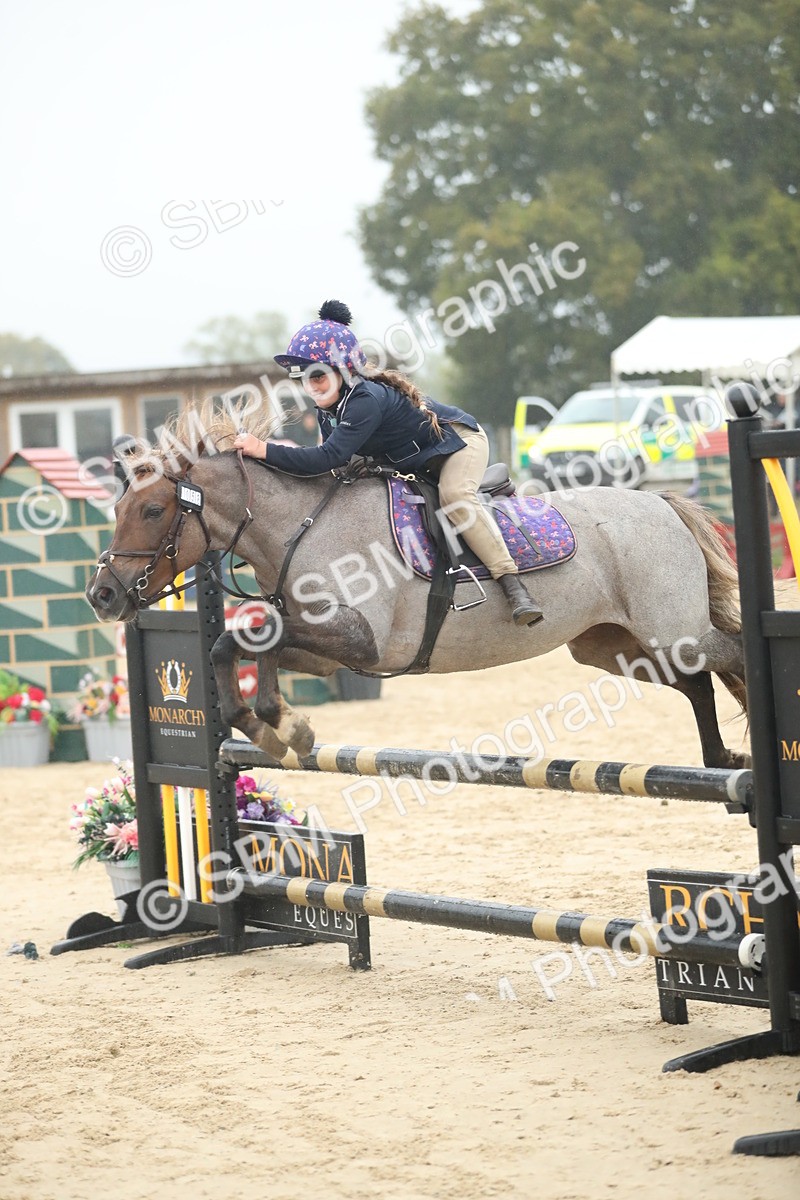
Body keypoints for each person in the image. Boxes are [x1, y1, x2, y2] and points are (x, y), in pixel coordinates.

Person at [233, 300, 543, 626]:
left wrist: (263, 449)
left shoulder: (365, 400)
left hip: (459, 444)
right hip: (420, 459)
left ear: (344, 371)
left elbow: (327, 457)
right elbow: (329, 469)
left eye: (319, 376)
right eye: (304, 378)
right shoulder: (330, 410)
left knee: (454, 498)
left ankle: (513, 585)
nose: (312, 386)